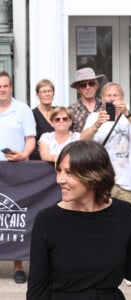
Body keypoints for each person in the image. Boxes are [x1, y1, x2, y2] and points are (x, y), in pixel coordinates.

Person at [27, 140, 131, 299]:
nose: (60, 179)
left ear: (94, 174)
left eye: (69, 172)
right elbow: (36, 291)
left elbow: (130, 267)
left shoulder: (124, 213)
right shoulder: (47, 220)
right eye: (59, 171)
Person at [81, 82, 131, 207]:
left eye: (115, 95)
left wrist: (127, 113)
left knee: (127, 221)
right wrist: (97, 124)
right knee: (103, 221)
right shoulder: (94, 117)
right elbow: (82, 140)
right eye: (108, 95)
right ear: (103, 99)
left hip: (127, 182)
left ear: (122, 98)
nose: (112, 98)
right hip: (102, 180)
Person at [0, 71, 36, 284]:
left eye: (5, 85)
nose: (1, 89)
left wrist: (24, 155)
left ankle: (18, 265)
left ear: (11, 87)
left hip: (15, 170)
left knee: (13, 216)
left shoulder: (21, 109)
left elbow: (30, 138)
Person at [68, 67, 104, 133]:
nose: (88, 88)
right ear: (78, 89)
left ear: (96, 85)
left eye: (91, 84)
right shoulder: (71, 110)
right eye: (83, 85)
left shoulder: (106, 106)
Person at [30, 79, 55, 160]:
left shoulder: (59, 113)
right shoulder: (31, 114)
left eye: (49, 91)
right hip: (38, 160)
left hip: (58, 158)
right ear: (37, 94)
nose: (47, 94)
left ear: (53, 93)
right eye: (43, 92)